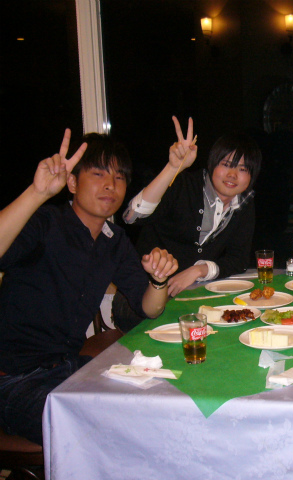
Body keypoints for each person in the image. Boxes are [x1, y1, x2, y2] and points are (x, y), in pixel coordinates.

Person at [0, 130, 178, 445]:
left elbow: (149, 307)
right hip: (14, 380)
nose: (111, 184)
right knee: (100, 432)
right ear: (72, 183)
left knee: (157, 398)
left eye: (119, 177)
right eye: (98, 174)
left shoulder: (114, 240)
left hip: (68, 369)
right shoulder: (45, 223)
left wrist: (158, 279)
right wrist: (37, 193)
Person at [123, 117, 262, 297]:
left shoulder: (243, 203)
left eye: (242, 169)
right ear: (212, 163)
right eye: (226, 165)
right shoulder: (184, 185)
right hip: (142, 291)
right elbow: (133, 217)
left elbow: (238, 260)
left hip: (191, 295)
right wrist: (172, 168)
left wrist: (199, 270)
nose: (232, 175)